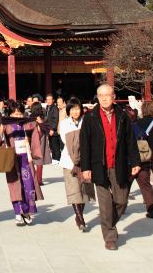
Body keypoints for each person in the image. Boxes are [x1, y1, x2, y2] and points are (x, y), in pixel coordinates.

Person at [80, 84, 141, 250]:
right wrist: (85, 167)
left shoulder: (122, 115)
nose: (104, 98)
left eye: (107, 95)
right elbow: (84, 144)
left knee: (121, 200)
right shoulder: (90, 117)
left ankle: (108, 222)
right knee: (105, 203)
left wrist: (135, 162)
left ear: (114, 97)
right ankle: (110, 236)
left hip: (118, 164)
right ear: (97, 97)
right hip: (98, 165)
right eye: (101, 95)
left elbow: (130, 141)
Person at [0, 100, 45, 226]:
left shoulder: (27, 124)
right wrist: (1, 128)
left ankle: (27, 212)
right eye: (14, 113)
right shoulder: (7, 125)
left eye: (19, 114)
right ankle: (18, 213)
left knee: (28, 185)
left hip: (25, 157)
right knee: (15, 186)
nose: (17, 116)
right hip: (12, 159)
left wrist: (38, 125)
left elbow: (36, 134)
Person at [59, 98, 94, 231]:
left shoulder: (87, 122)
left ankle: (79, 215)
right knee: (73, 190)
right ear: (68, 111)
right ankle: (80, 218)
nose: (75, 111)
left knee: (84, 190)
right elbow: (66, 140)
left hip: (86, 160)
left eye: (77, 108)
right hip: (69, 161)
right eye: (72, 109)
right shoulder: (64, 124)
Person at [44, 93, 61, 164]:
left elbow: (55, 119)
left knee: (55, 146)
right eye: (47, 100)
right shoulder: (47, 107)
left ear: (53, 100)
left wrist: (52, 129)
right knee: (51, 146)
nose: (49, 101)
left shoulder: (54, 108)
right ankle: (54, 159)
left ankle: (57, 159)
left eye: (50, 99)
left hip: (53, 131)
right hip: (48, 129)